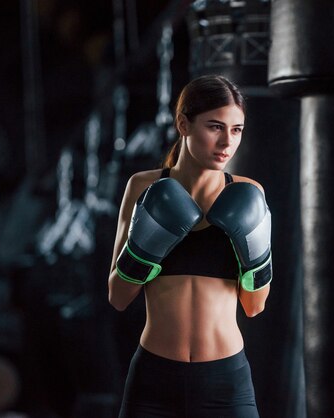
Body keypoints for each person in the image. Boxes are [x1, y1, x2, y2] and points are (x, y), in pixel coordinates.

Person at [108, 74, 272, 418]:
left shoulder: (247, 192)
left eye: (237, 129)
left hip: (226, 381)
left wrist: (252, 252)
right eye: (215, 127)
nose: (227, 141)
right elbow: (118, 297)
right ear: (184, 124)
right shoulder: (143, 187)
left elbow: (255, 307)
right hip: (154, 379)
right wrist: (146, 245)